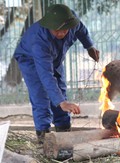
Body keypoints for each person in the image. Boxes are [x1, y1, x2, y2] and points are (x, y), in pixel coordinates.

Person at [14, 4, 100, 144]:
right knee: (41, 95)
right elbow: (46, 75)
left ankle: (64, 134)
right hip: (30, 59)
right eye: (56, 31)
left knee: (60, 90)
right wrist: (61, 102)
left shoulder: (71, 21)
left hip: (54, 58)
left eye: (64, 30)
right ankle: (44, 139)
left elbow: (82, 30)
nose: (61, 33)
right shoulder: (39, 41)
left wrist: (89, 46)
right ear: (49, 26)